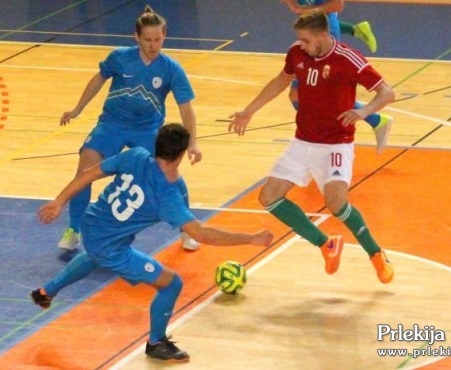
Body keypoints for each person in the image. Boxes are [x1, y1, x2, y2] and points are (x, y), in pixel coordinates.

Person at [32, 124, 274, 362]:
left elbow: (88, 173)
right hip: (110, 246)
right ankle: (156, 343)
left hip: (92, 223)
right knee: (171, 284)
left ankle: (45, 293)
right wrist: (250, 238)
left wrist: (59, 202)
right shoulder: (168, 196)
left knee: (94, 254)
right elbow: (201, 234)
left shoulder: (135, 155)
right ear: (180, 155)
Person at [229, 10, 394, 284]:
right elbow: (281, 81)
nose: (301, 45)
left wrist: (365, 113)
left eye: (306, 40)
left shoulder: (347, 58)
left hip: (336, 145)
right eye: (300, 40)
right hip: (303, 141)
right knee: (268, 197)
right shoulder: (297, 52)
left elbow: (387, 92)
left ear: (322, 35)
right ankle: (326, 244)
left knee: (336, 203)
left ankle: (376, 254)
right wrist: (249, 110)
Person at [57, 5, 202, 251]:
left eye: (158, 39)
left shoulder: (171, 69)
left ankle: (187, 230)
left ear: (164, 35)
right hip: (111, 125)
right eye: (148, 40)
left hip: (147, 130)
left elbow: (186, 108)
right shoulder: (120, 57)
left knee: (169, 175)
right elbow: (99, 78)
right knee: (85, 168)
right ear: (136, 37)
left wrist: (192, 142)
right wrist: (78, 108)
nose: (154, 45)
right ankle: (73, 230)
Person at [280, 0, 393, 154]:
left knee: (318, 94)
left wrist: (305, 10)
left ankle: (325, 135)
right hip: (312, 31)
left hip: (323, 35)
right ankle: (376, 121)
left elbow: (337, 5)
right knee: (297, 94)